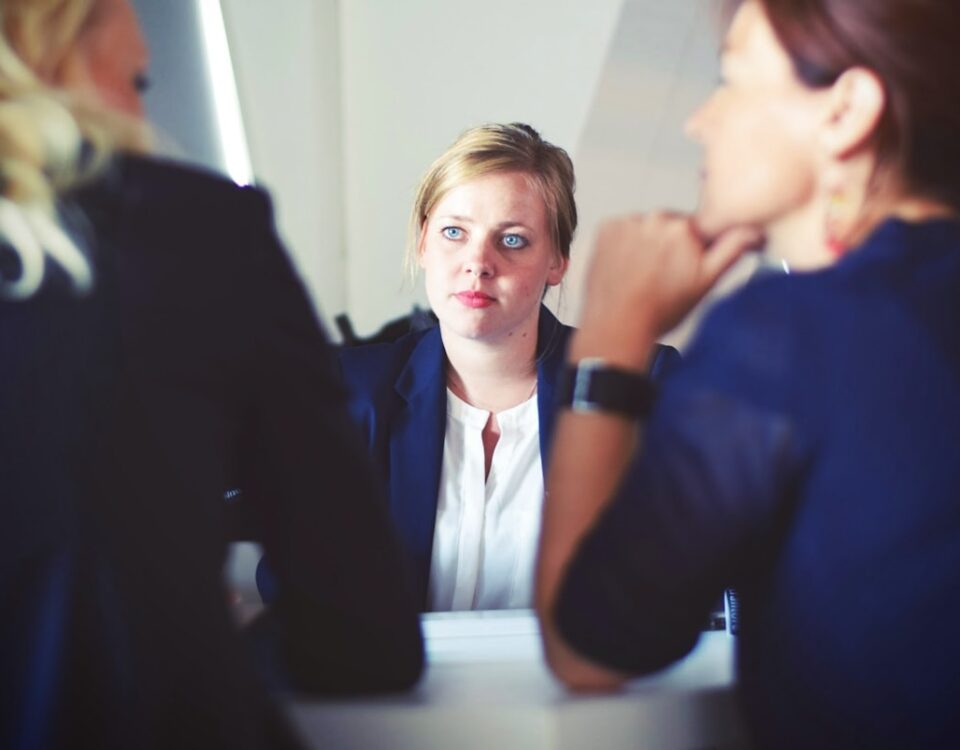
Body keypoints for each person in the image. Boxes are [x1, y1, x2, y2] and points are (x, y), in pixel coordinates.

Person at [536, 0, 960, 746]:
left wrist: (611, 329)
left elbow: (588, 647)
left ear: (846, 110)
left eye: (731, 80)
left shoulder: (789, 333)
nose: (700, 121)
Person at [0, 1, 422, 749]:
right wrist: (194, 620)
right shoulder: (200, 235)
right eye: (139, 79)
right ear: (57, 45)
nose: (137, 111)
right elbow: (363, 634)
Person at [336, 123, 680, 611]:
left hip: (577, 686)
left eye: (513, 240)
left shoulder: (641, 384)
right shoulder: (350, 392)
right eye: (454, 232)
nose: (477, 263)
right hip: (395, 686)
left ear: (557, 261)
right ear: (423, 244)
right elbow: (291, 585)